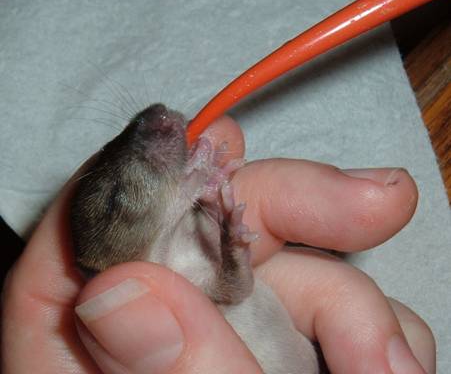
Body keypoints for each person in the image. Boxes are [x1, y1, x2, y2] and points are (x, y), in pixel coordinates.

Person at [1, 116, 435, 374]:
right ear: (103, 258)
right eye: (117, 197)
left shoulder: (180, 247)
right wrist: (230, 243)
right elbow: (233, 289)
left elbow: (235, 287)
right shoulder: (142, 279)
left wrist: (225, 231)